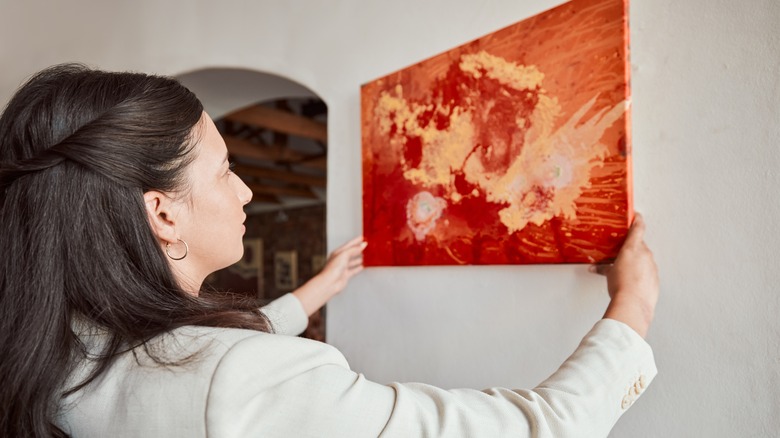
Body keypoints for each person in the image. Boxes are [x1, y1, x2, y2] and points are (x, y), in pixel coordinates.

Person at [0, 64, 659, 438]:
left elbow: (188, 354)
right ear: (163, 211)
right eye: (226, 168)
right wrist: (633, 307)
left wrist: (315, 291)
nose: (248, 189)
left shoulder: (48, 347)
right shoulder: (245, 382)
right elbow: (537, 430)